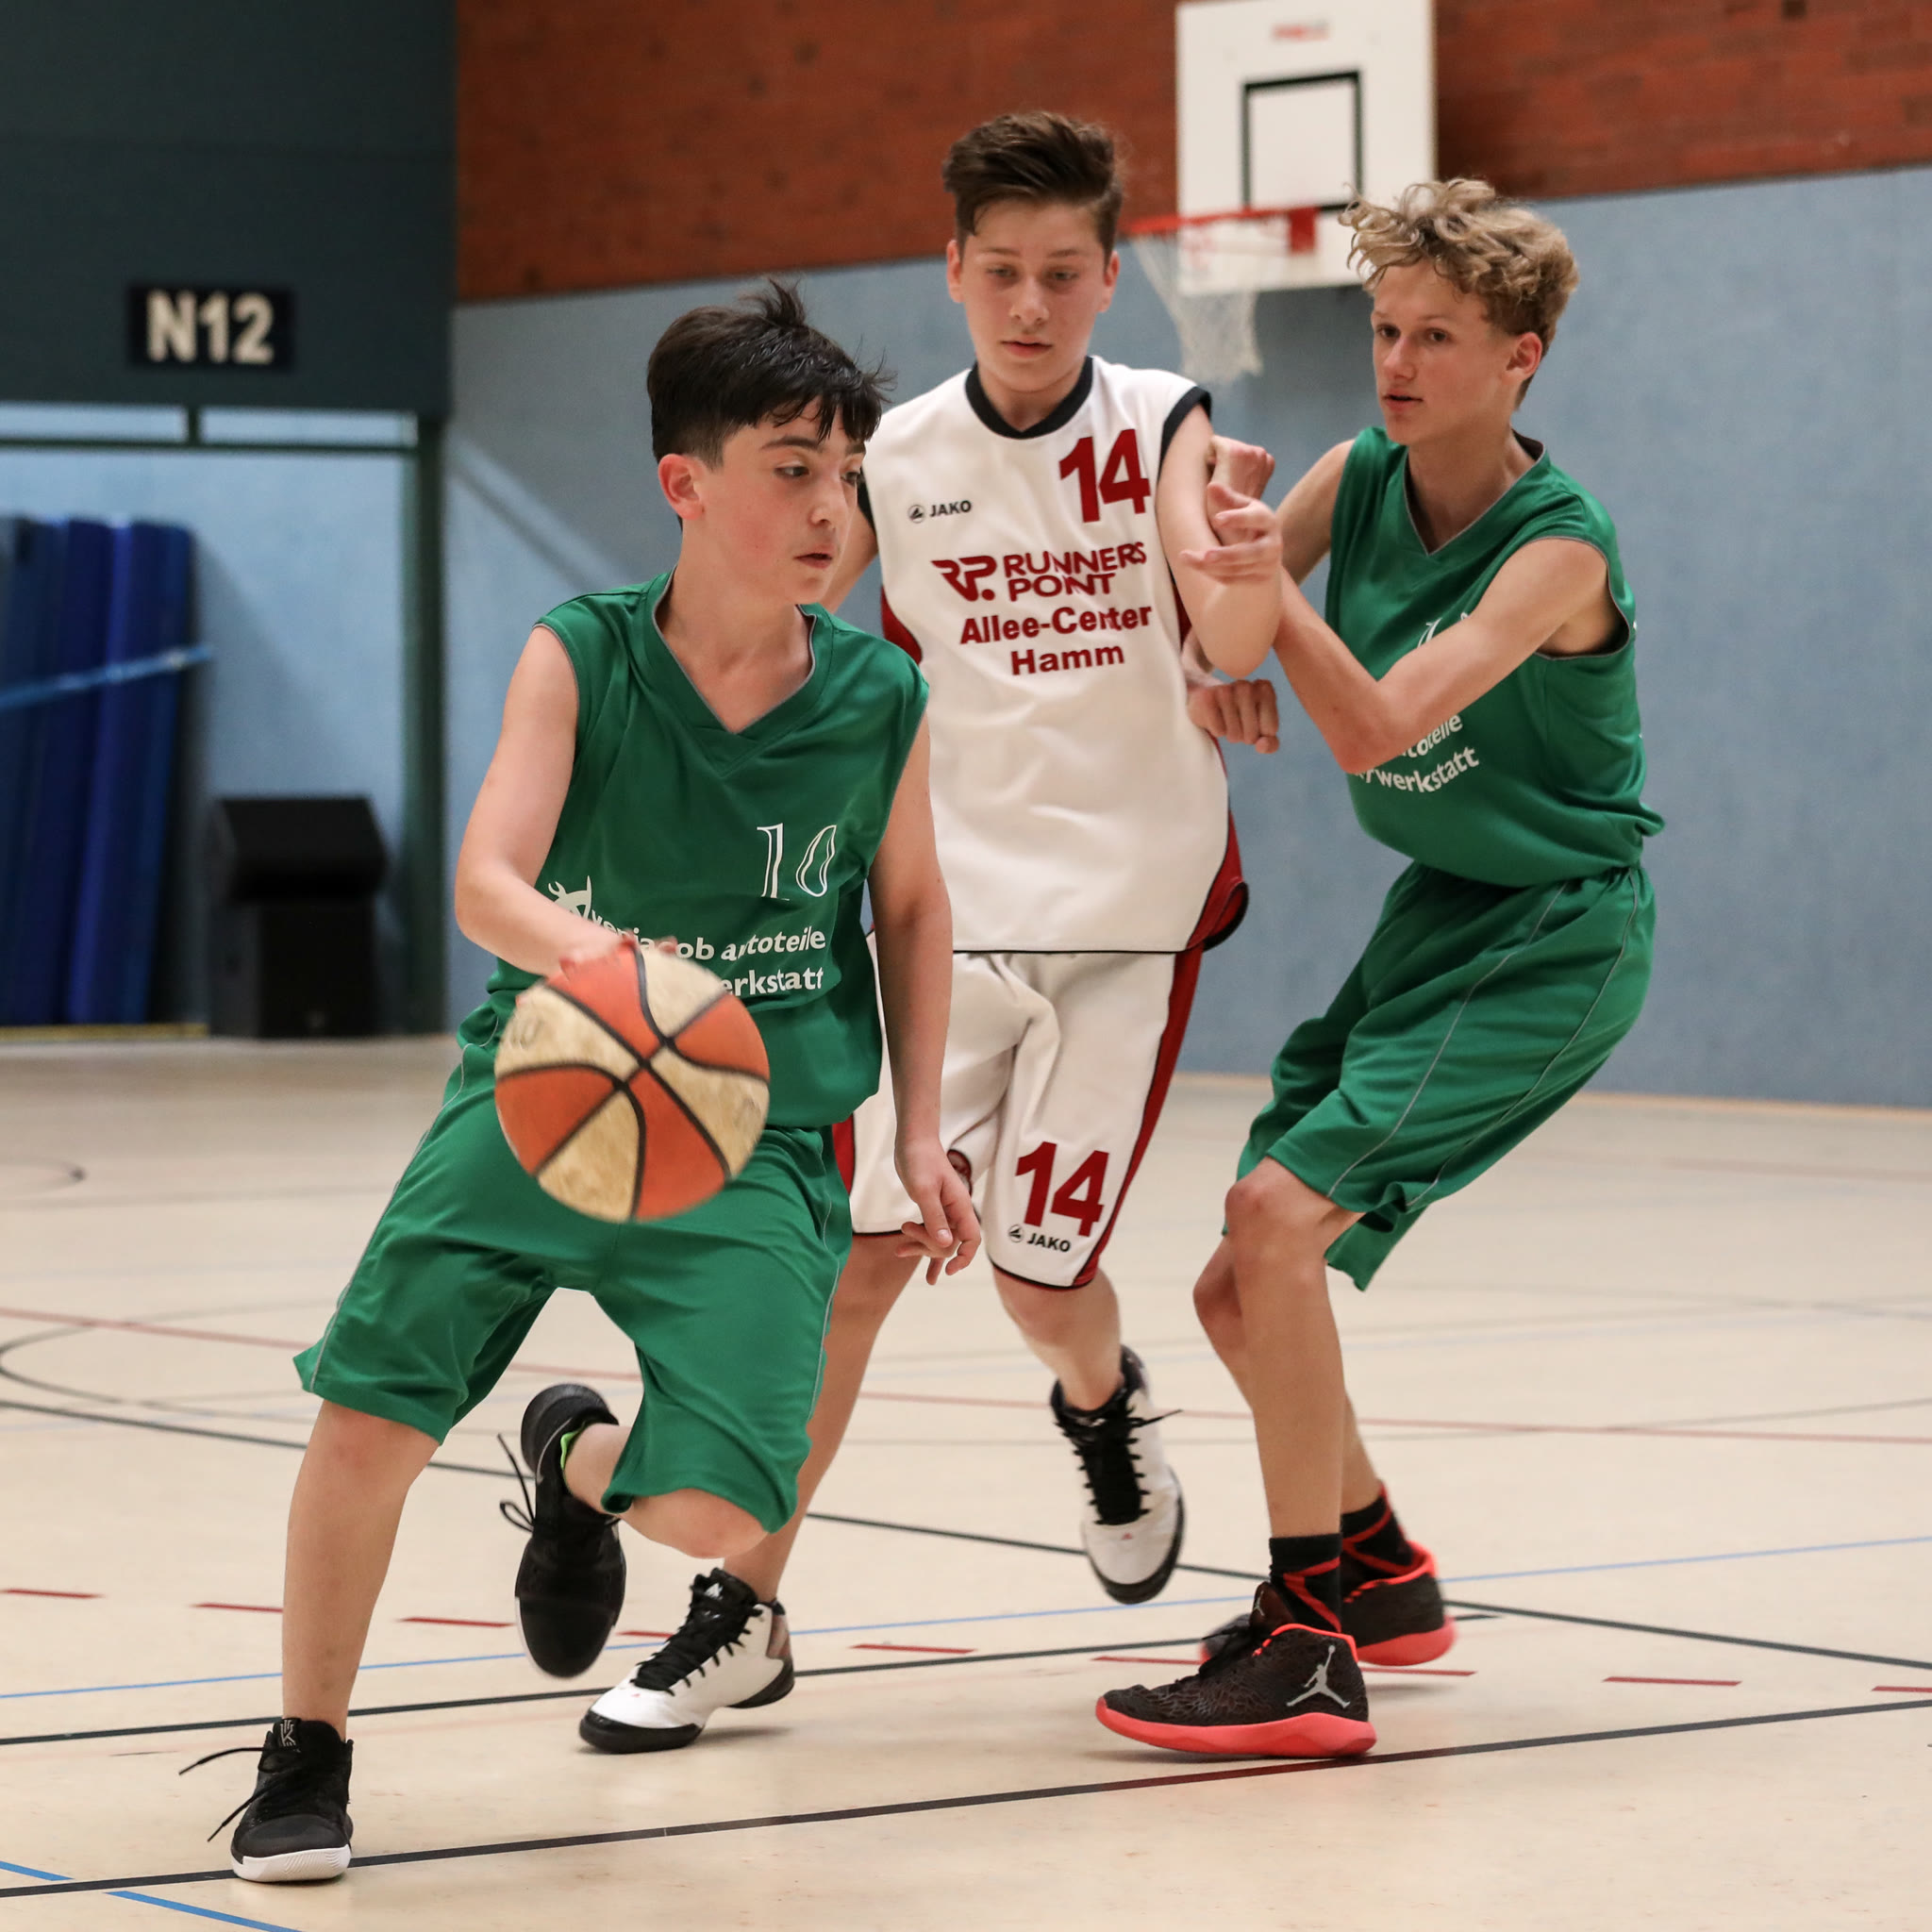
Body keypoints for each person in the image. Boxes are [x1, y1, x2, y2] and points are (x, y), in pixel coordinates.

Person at [209, 283, 978, 1880]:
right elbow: (487, 883)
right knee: (370, 1414)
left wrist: (922, 1127)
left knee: (714, 1519)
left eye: (848, 476)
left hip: (754, 1130)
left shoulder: (883, 696)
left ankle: (573, 1461)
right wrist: (624, 973)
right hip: (547, 1087)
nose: (831, 511)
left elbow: (910, 909)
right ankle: (307, 1749)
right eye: (792, 470)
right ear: (684, 482)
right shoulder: (583, 656)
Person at [578, 111, 1285, 1754]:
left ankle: (1104, 1405)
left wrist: (1242, 596)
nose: (1032, 304)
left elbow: (1230, 616)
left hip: (1129, 919)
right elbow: (783, 623)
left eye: (1064, 274)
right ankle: (742, 1615)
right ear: (954, 269)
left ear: (1111, 275)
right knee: (858, 1268)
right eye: (1002, 272)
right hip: (948, 912)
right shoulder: (886, 459)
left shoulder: (1162, 420)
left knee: (1042, 1280)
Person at [1097, 179, 1661, 1758]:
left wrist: (1259, 606)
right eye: (1385, 329)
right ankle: (1382, 1574)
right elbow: (1202, 599)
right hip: (1444, 907)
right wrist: (1213, 641)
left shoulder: (1558, 551)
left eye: (1437, 338)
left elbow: (1374, 722)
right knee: (1235, 1284)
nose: (1397, 363)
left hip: (1555, 929)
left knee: (1280, 1224)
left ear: (1520, 359)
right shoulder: (1358, 476)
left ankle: (1303, 1642)